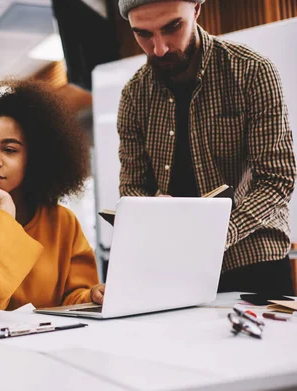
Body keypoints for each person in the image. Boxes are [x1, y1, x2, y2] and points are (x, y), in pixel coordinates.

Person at [117, 0, 296, 294]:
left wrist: (219, 234)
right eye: (143, 35)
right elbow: (133, 187)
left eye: (172, 27)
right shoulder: (134, 95)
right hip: (175, 266)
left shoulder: (252, 71)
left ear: (197, 8)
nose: (159, 48)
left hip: (253, 258)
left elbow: (277, 179)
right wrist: (150, 211)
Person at [0, 79, 105, 311]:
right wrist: (6, 206)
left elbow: (73, 297)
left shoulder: (62, 222)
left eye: (10, 150)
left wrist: (92, 295)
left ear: (34, 160)